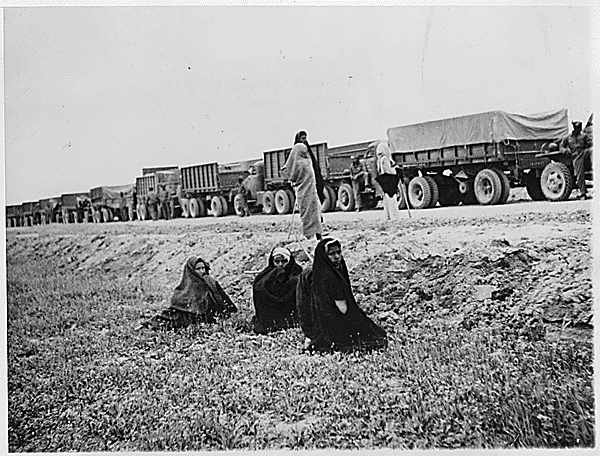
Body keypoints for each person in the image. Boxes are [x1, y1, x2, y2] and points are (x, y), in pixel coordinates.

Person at [296, 238, 388, 353]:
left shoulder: (322, 272)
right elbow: (343, 309)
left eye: (338, 252)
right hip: (335, 326)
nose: (337, 257)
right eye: (332, 254)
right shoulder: (329, 276)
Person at [145, 256, 238, 330]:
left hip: (209, 318)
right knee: (170, 321)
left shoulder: (211, 282)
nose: (202, 271)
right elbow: (177, 304)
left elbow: (224, 299)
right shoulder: (184, 287)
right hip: (188, 318)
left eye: (203, 268)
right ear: (191, 271)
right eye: (198, 269)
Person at [251, 246, 303, 334]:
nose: (280, 265)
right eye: (277, 261)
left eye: (284, 261)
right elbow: (259, 288)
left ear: (289, 261)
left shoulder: (297, 274)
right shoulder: (266, 276)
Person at [282, 137, 323, 240]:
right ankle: (310, 234)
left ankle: (317, 233)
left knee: (315, 213)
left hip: (311, 191)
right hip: (305, 192)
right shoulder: (301, 163)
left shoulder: (305, 160)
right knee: (309, 213)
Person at [561, 121, 593, 200]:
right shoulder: (568, 137)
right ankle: (583, 193)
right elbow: (561, 146)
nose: (578, 129)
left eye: (579, 128)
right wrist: (565, 151)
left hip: (583, 153)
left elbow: (591, 143)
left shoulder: (584, 136)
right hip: (575, 156)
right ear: (574, 128)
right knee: (580, 174)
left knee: (591, 151)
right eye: (576, 128)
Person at [295, 131, 326, 204]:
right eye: (302, 138)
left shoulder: (307, 149)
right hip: (303, 181)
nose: (304, 140)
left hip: (311, 180)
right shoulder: (296, 151)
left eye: (305, 138)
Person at [375, 141, 401, 220]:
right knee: (392, 199)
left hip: (384, 179)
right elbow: (388, 170)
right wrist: (396, 170)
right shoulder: (385, 159)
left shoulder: (379, 160)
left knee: (386, 199)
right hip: (389, 179)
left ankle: (387, 216)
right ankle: (394, 216)